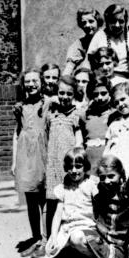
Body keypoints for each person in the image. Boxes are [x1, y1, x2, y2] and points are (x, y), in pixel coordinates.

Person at [71, 156, 129, 258]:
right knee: (76, 237)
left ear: (121, 174)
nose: (107, 181)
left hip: (121, 247)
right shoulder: (100, 191)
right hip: (104, 241)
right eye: (103, 177)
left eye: (111, 176)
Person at [42, 147, 99, 258]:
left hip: (85, 229)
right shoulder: (63, 188)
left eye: (78, 166)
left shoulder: (91, 184)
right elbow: (57, 216)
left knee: (76, 238)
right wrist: (54, 237)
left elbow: (100, 209)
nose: (74, 171)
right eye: (70, 167)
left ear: (85, 166)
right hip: (66, 230)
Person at [45, 75, 84, 248]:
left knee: (68, 202)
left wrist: (75, 163)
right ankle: (49, 240)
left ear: (74, 94)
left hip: (68, 166)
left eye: (69, 93)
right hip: (52, 164)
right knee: (52, 202)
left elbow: (79, 142)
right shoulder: (51, 113)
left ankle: (68, 242)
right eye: (61, 93)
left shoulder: (76, 114)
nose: (65, 97)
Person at [12, 69, 48, 258]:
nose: (32, 84)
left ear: (41, 82)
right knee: (31, 200)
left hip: (43, 155)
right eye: (28, 81)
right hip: (26, 157)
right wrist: (13, 161)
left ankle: (46, 240)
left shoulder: (49, 104)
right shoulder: (20, 107)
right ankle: (35, 239)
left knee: (44, 198)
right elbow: (17, 133)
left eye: (35, 80)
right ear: (23, 84)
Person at [86, 5, 129, 77]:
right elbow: (89, 60)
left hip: (126, 79)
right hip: (105, 77)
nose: (117, 25)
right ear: (107, 22)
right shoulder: (100, 36)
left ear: (125, 22)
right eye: (113, 21)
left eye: (121, 21)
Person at [80, 76, 113, 175]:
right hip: (90, 159)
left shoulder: (114, 114)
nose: (100, 98)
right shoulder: (85, 115)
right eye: (95, 94)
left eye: (103, 93)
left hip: (108, 159)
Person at [64, 9, 103, 76]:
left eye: (91, 21)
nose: (87, 25)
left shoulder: (108, 38)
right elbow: (69, 68)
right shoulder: (79, 43)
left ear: (98, 22)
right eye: (84, 23)